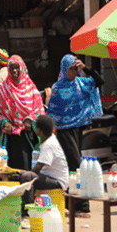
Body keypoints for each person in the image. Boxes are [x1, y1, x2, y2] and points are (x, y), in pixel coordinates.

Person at [46, 54, 103, 216]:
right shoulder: (57, 87)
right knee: (75, 164)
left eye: (75, 67)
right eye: (71, 68)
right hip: (63, 130)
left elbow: (99, 81)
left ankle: (72, 205)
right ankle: (81, 207)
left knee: (73, 167)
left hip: (77, 129)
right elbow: (52, 110)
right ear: (65, 68)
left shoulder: (82, 83)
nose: (74, 70)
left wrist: (86, 68)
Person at [0, 56, 43, 171]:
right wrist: (4, 122)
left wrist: (30, 120)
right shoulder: (3, 88)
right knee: (8, 171)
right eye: (12, 68)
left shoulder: (31, 88)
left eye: (17, 68)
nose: (14, 71)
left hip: (26, 137)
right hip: (9, 138)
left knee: (25, 171)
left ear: (22, 68)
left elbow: (39, 109)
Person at [19, 115, 68, 208]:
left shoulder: (48, 144)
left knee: (27, 177)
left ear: (40, 130)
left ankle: (27, 209)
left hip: (57, 181)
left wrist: (25, 174)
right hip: (52, 178)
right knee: (23, 175)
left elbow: (38, 168)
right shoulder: (50, 139)